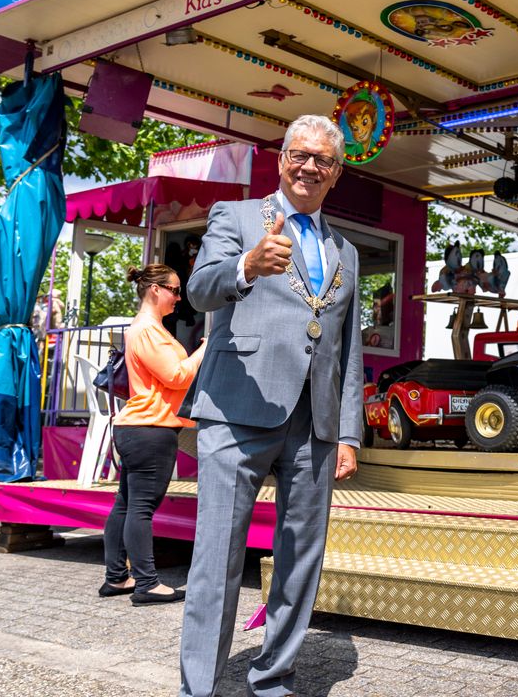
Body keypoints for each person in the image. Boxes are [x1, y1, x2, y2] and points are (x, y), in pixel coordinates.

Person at [178, 114, 363, 697]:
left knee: (301, 559)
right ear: (282, 158)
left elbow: (347, 346)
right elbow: (200, 288)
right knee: (218, 558)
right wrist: (246, 266)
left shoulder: (346, 251)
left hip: (316, 424)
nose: (310, 166)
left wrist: (350, 434)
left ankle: (273, 676)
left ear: (336, 173)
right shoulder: (235, 217)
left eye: (323, 160)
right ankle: (199, 687)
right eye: (300, 155)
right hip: (237, 408)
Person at [101, 264, 206, 605]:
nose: (179, 297)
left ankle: (117, 578)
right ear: (155, 290)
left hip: (138, 426)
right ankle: (147, 583)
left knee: (127, 504)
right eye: (175, 290)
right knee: (141, 508)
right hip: (151, 428)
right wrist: (204, 350)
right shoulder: (147, 329)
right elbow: (176, 375)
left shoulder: (145, 328)